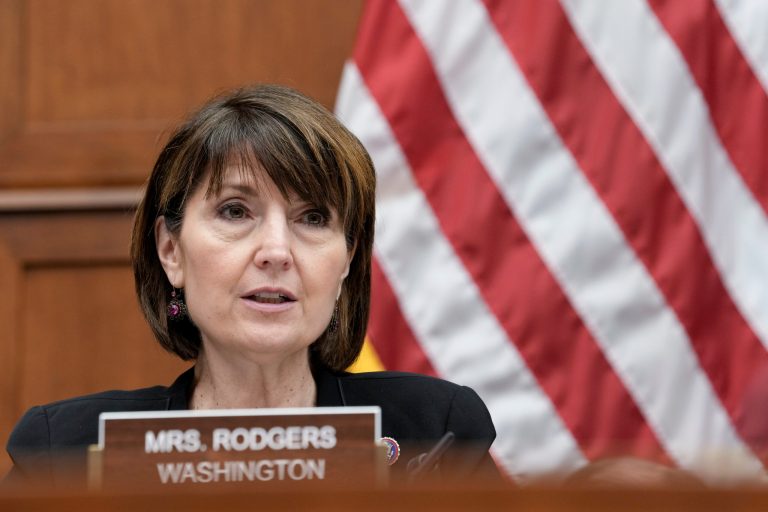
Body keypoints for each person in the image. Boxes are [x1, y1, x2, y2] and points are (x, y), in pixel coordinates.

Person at [3, 84, 497, 486]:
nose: (277, 251)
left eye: (312, 217)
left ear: (347, 259)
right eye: (235, 211)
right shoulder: (63, 456)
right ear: (171, 251)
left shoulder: (434, 434)